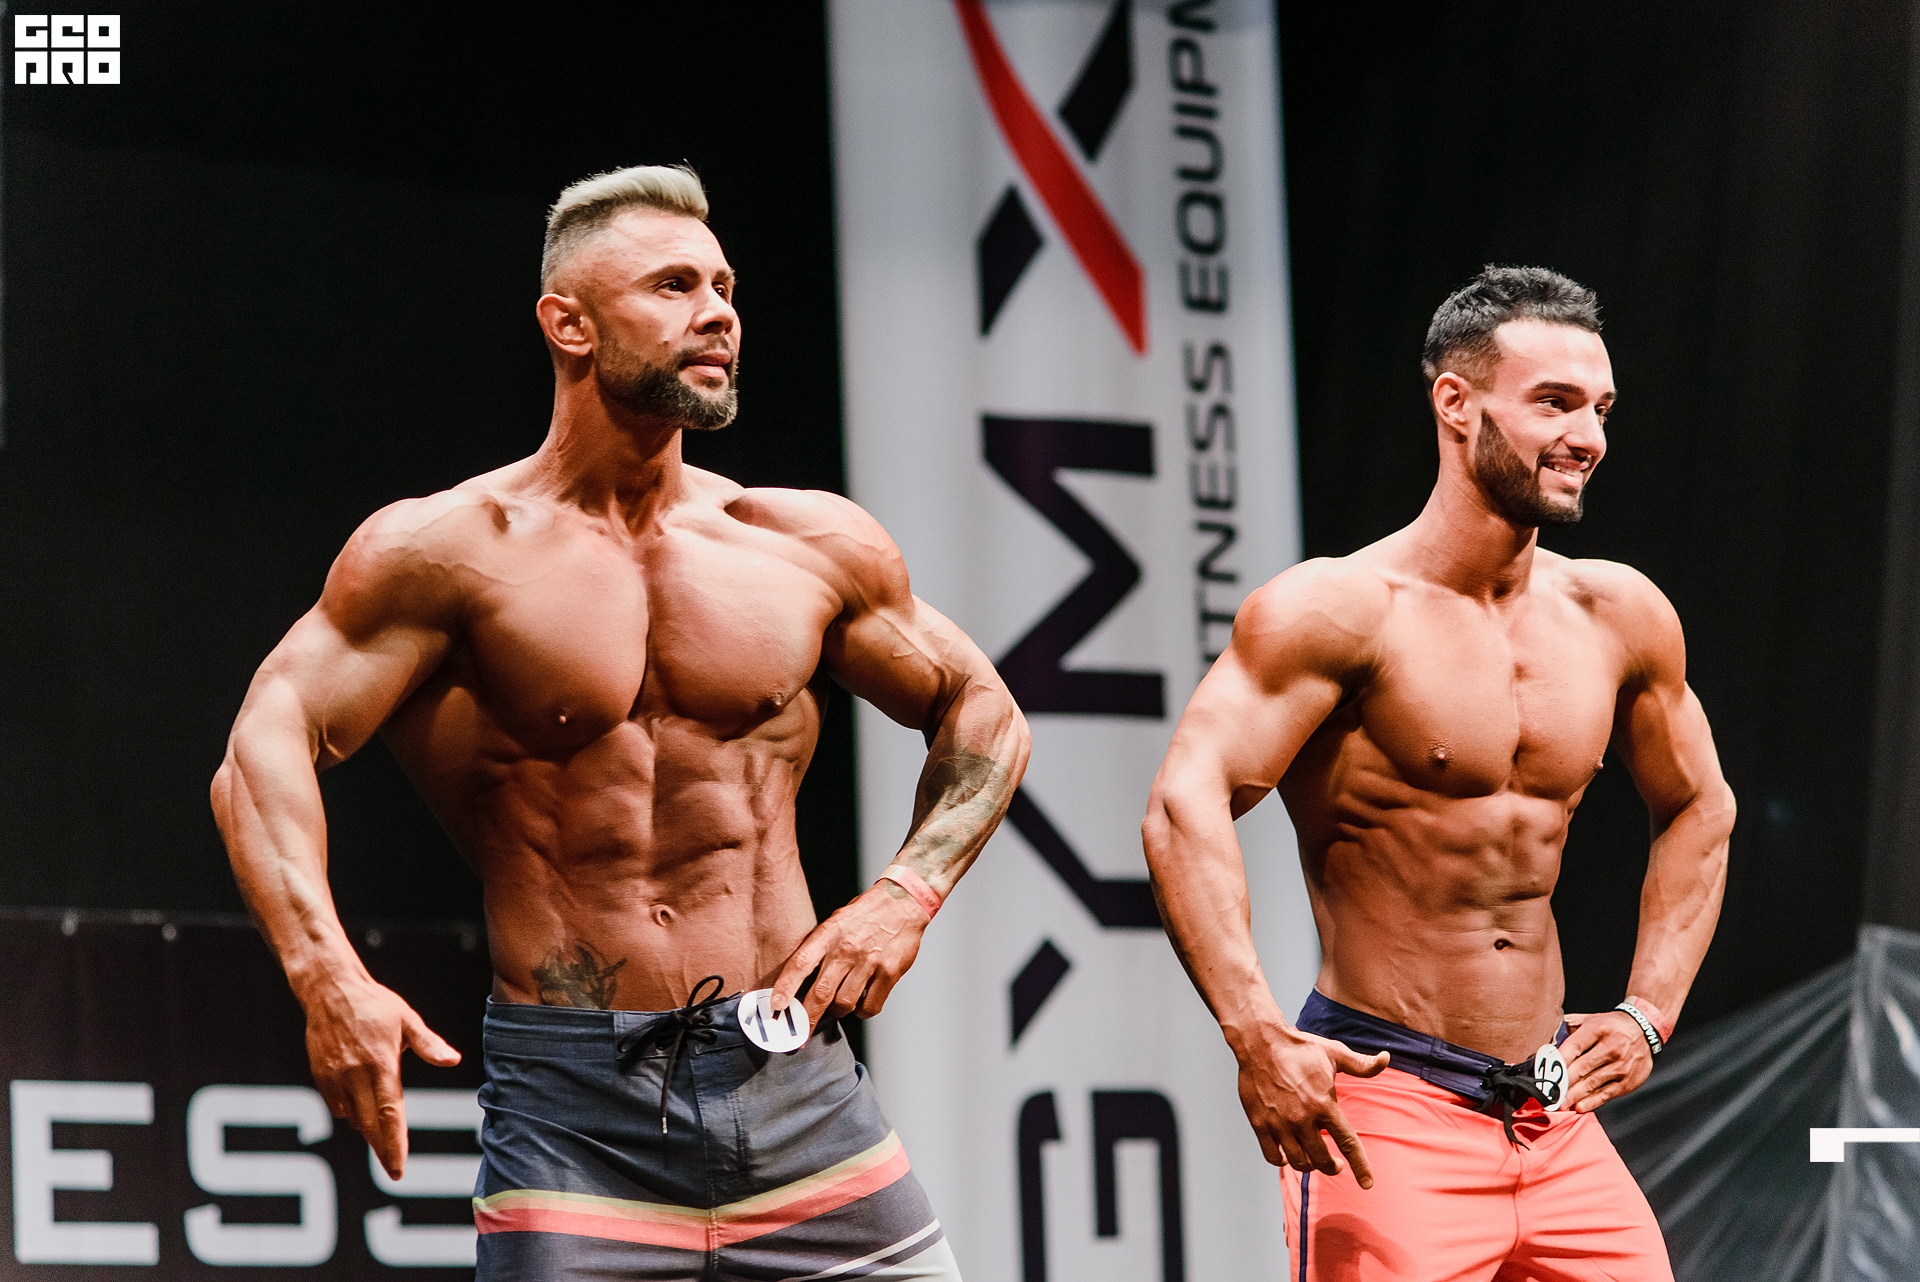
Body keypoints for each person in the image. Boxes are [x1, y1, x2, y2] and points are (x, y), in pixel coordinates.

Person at [211, 164, 1028, 1282]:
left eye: (725, 287)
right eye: (674, 285)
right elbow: (265, 743)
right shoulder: (449, 550)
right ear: (570, 325)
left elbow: (984, 709)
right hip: (574, 1117)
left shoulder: (801, 544)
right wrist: (327, 975)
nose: (718, 313)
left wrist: (904, 896)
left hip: (798, 1087)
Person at [1142, 266, 1734, 1280]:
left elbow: (1699, 805)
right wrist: (1256, 1035)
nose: (1587, 437)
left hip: (1552, 1115)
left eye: (1599, 409)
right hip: (1389, 1110)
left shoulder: (1620, 615)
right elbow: (1184, 802)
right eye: (1553, 403)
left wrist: (1649, 1010)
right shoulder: (1338, 611)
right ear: (1456, 403)